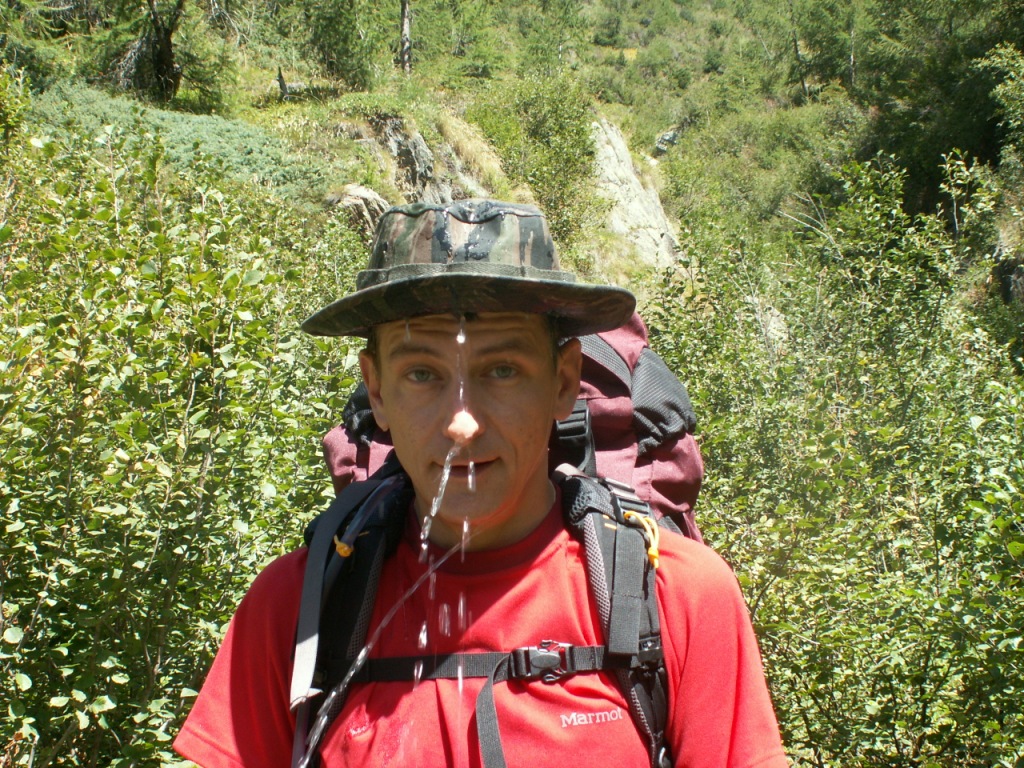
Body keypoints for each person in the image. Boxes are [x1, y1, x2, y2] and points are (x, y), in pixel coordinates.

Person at [173, 199, 789, 768]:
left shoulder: (679, 596)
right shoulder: (294, 610)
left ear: (562, 382)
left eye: (502, 370)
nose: (461, 424)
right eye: (422, 374)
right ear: (377, 390)